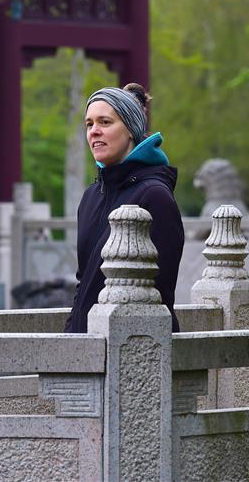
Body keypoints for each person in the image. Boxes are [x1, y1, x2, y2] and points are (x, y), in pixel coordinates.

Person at [64, 83, 184, 334]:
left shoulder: (154, 196)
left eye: (105, 122)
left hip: (136, 346)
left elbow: (159, 292)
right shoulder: (91, 197)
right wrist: (71, 336)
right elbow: (83, 284)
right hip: (85, 346)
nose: (94, 131)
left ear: (130, 129)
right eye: (89, 124)